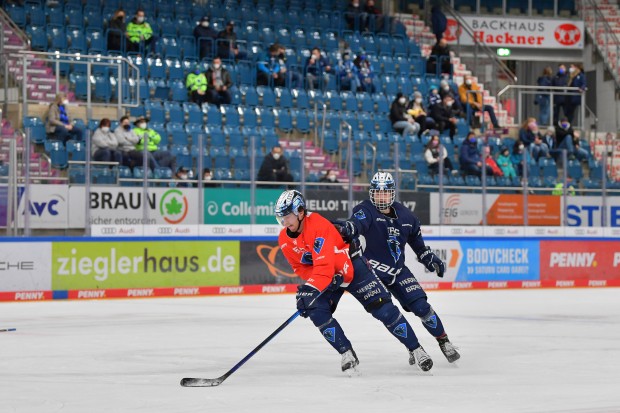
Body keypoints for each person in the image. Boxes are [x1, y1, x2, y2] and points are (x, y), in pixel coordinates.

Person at [276, 189, 434, 373]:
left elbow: (325, 266)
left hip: (352, 266)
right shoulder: (284, 239)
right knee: (315, 309)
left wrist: (313, 287)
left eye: (287, 216)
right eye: (281, 217)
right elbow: (301, 267)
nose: (284, 222)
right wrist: (313, 288)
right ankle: (347, 353)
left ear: (300, 212)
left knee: (383, 309)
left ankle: (416, 349)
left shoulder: (318, 225)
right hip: (328, 276)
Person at [332, 172, 460, 366]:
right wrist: (347, 228)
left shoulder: (407, 216)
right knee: (388, 313)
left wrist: (428, 257)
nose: (381, 197)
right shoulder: (365, 209)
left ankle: (444, 341)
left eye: (386, 193)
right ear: (371, 193)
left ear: (392, 194)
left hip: (398, 272)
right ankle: (413, 348)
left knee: (422, 307)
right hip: (372, 274)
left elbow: (418, 244)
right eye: (377, 192)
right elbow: (356, 224)